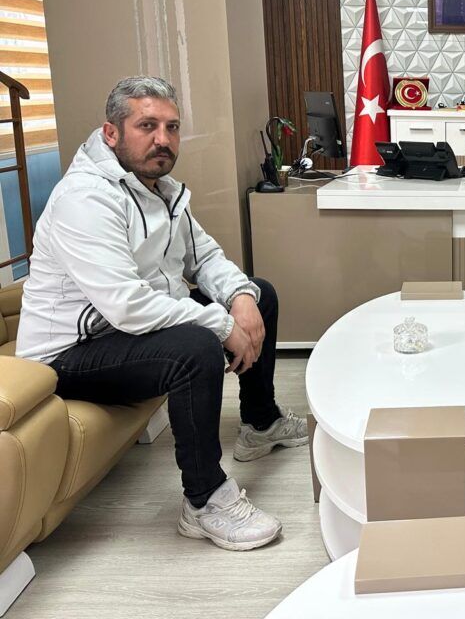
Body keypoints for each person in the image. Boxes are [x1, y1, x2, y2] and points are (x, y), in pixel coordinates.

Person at [16, 76, 307, 550]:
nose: (162, 139)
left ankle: (260, 422)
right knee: (194, 348)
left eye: (172, 127)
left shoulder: (161, 189)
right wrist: (222, 324)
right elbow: (126, 304)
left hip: (125, 330)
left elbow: (204, 258)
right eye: (146, 126)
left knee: (260, 294)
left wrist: (240, 299)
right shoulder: (85, 198)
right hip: (72, 353)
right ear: (111, 133)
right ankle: (204, 501)